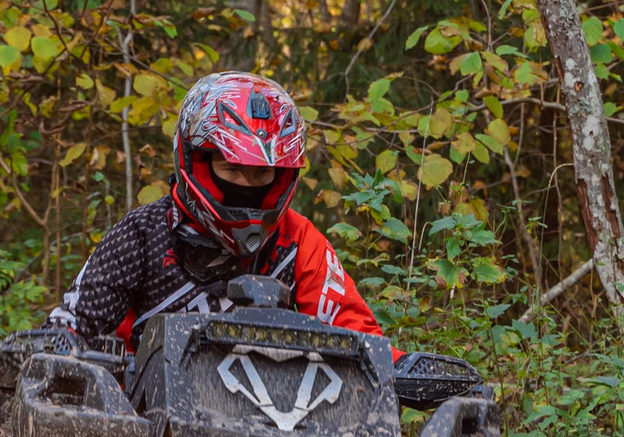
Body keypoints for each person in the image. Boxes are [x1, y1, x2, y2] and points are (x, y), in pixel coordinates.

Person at [42, 71, 383, 350]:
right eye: (231, 169)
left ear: (281, 176)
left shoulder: (296, 240)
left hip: (272, 416)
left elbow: (357, 333)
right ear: (197, 162)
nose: (247, 185)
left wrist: (399, 366)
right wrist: (58, 350)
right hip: (140, 416)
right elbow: (70, 327)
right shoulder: (143, 233)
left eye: (262, 173)